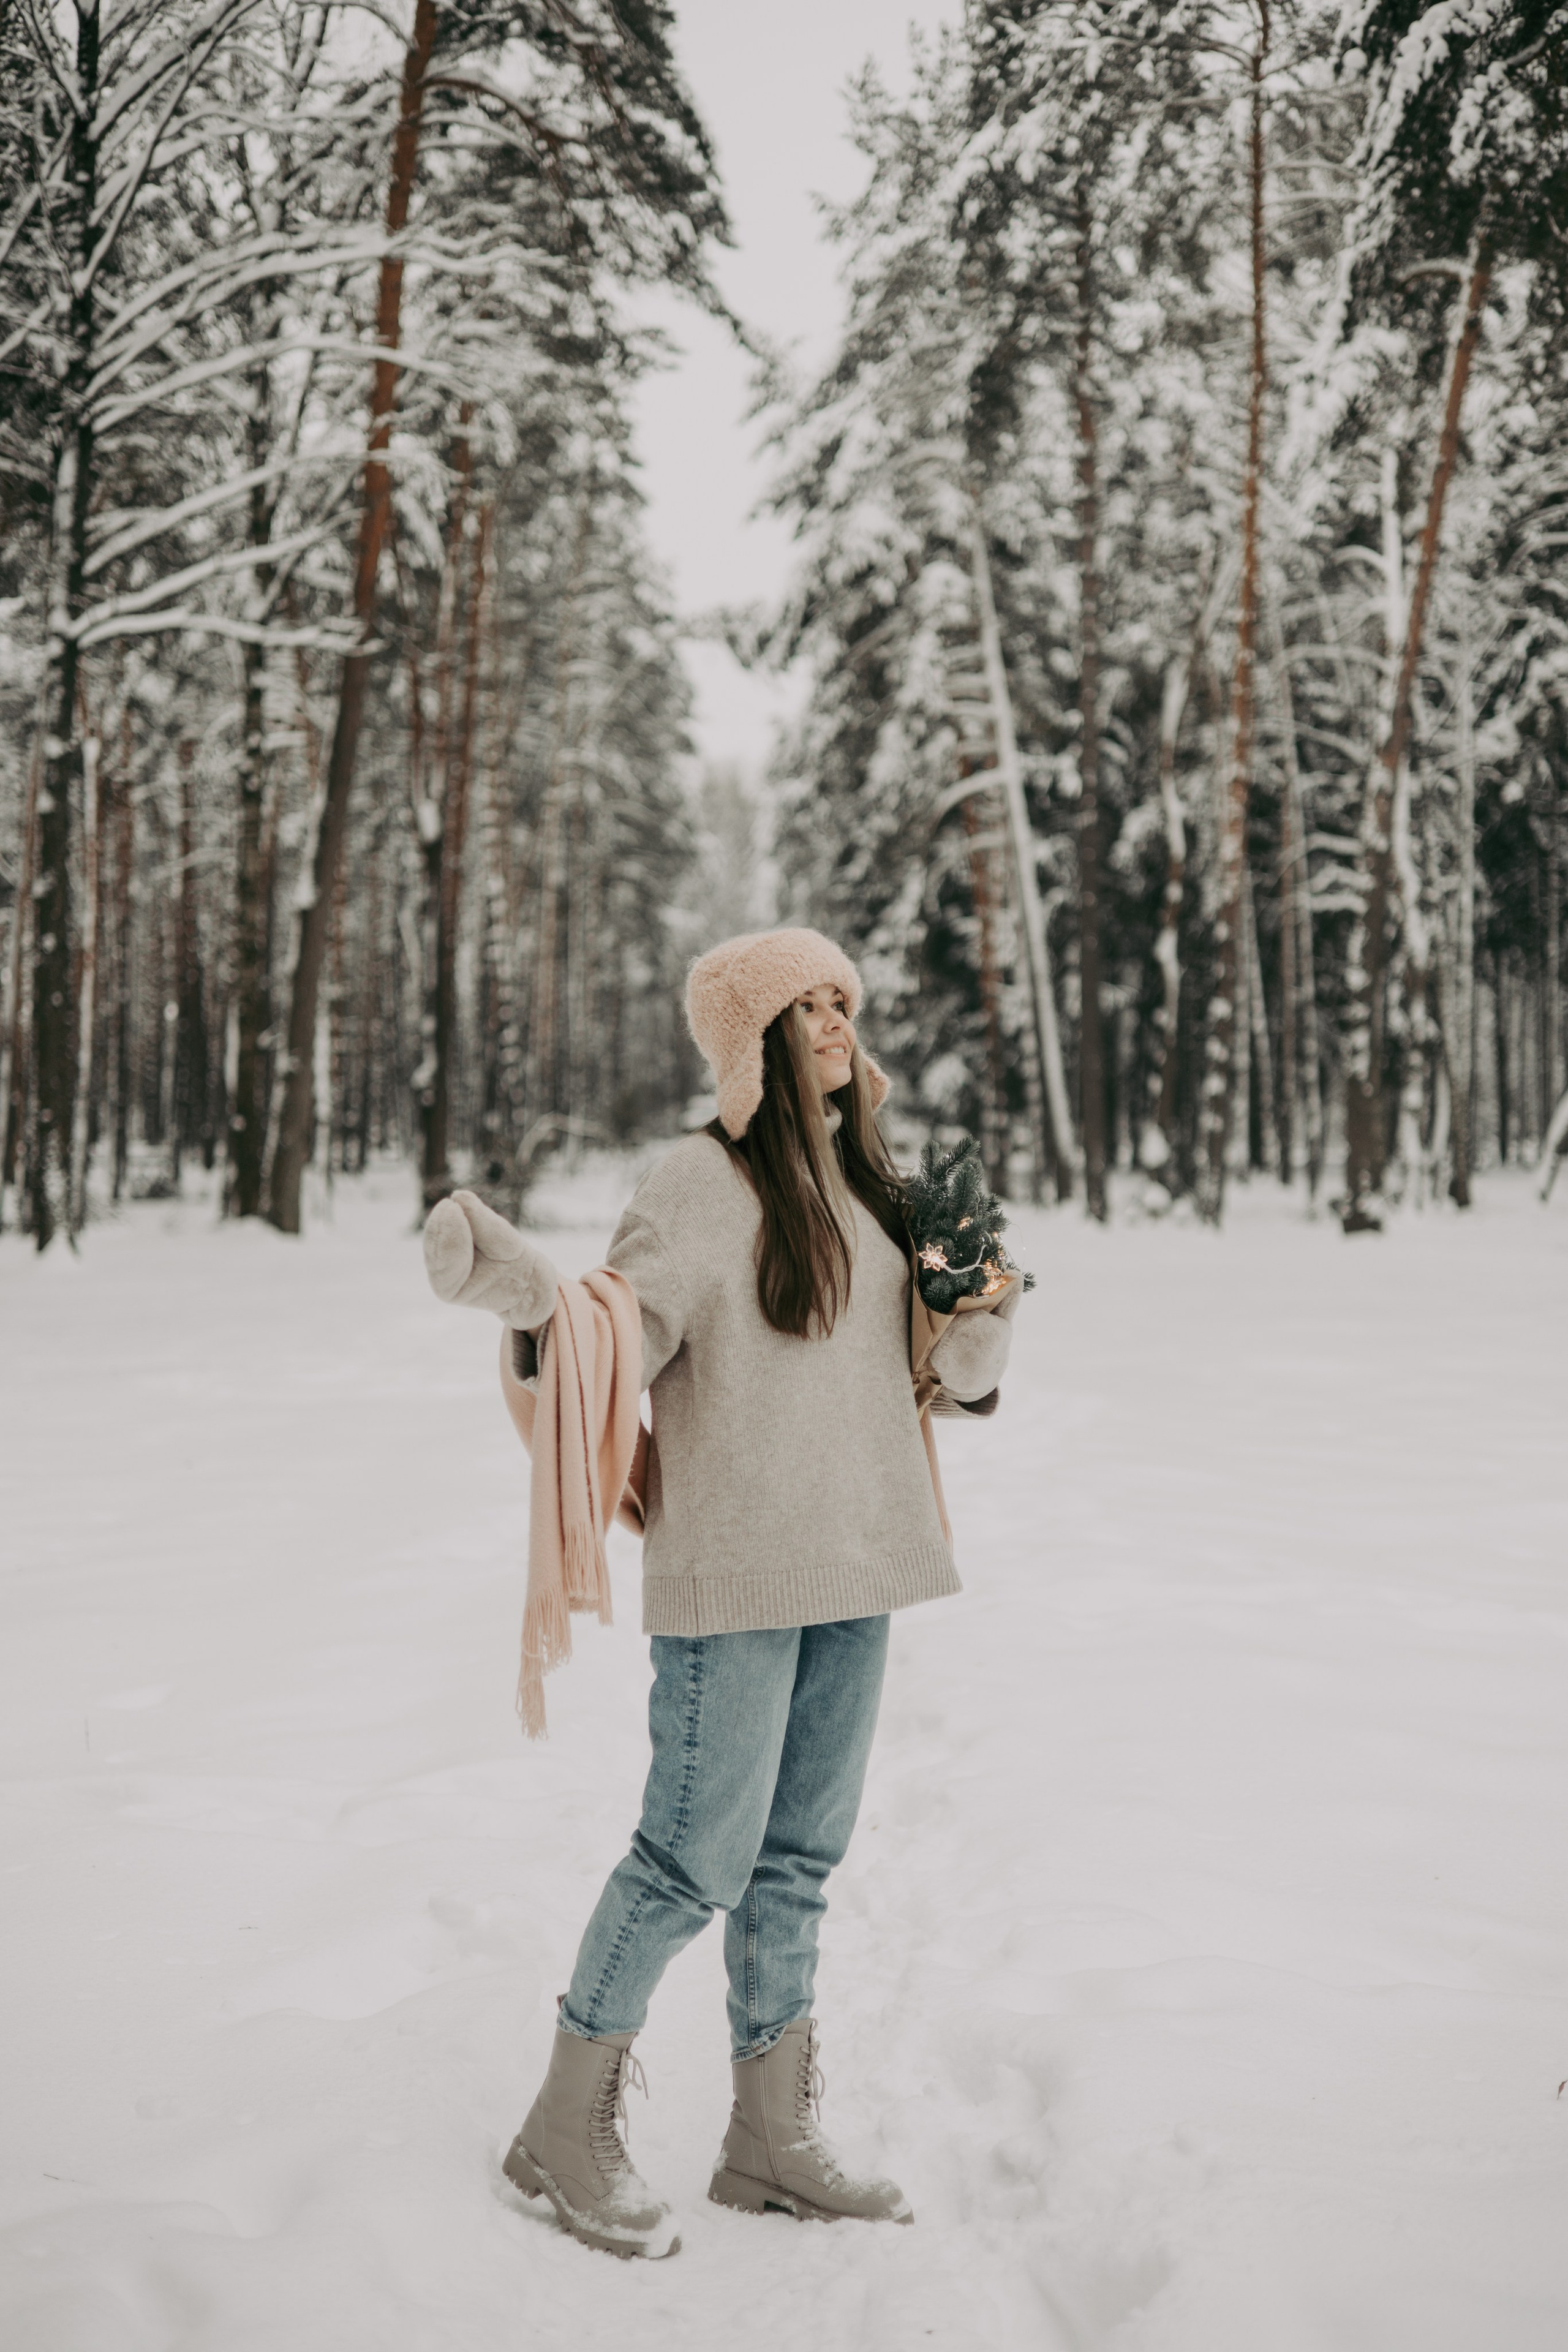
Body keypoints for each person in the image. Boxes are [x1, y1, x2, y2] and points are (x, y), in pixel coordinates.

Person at [424, 928, 1023, 2259]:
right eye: (801, 1003)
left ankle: (768, 2141)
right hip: (735, 1570)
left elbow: (934, 1376)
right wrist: (530, 1294)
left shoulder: (877, 1186)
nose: (831, 1020)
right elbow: (613, 1331)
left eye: (839, 1000)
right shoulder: (692, 1182)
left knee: (796, 1865)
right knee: (692, 1860)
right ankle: (560, 2129)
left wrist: (977, 1326)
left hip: (862, 1559)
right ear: (746, 1037)